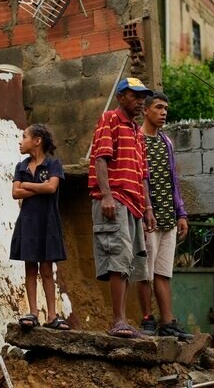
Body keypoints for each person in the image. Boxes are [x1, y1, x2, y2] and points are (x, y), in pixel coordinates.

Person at [89, 77, 155, 339]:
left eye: (142, 97)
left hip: (135, 204)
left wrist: (148, 207)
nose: (140, 102)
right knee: (117, 258)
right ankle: (118, 320)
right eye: (134, 96)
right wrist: (106, 195)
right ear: (120, 97)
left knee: (128, 262)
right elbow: (101, 158)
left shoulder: (138, 132)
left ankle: (124, 321)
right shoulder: (110, 119)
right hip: (114, 199)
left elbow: (142, 174)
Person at [136, 91, 194, 341]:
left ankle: (168, 321)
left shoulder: (166, 142)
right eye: (159, 107)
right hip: (146, 216)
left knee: (163, 272)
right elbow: (139, 178)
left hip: (169, 217)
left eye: (166, 109)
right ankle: (148, 317)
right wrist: (145, 208)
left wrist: (181, 212)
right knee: (144, 272)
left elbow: (173, 180)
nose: (163, 113)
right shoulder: (136, 139)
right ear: (146, 110)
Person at [10, 124, 70, 330]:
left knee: (46, 269)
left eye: (24, 136)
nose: (20, 140)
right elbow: (15, 193)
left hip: (47, 222)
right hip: (28, 222)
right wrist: (39, 189)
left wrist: (27, 185)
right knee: (29, 267)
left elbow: (52, 187)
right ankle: (33, 312)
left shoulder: (54, 164)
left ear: (37, 141)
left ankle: (52, 315)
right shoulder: (21, 166)